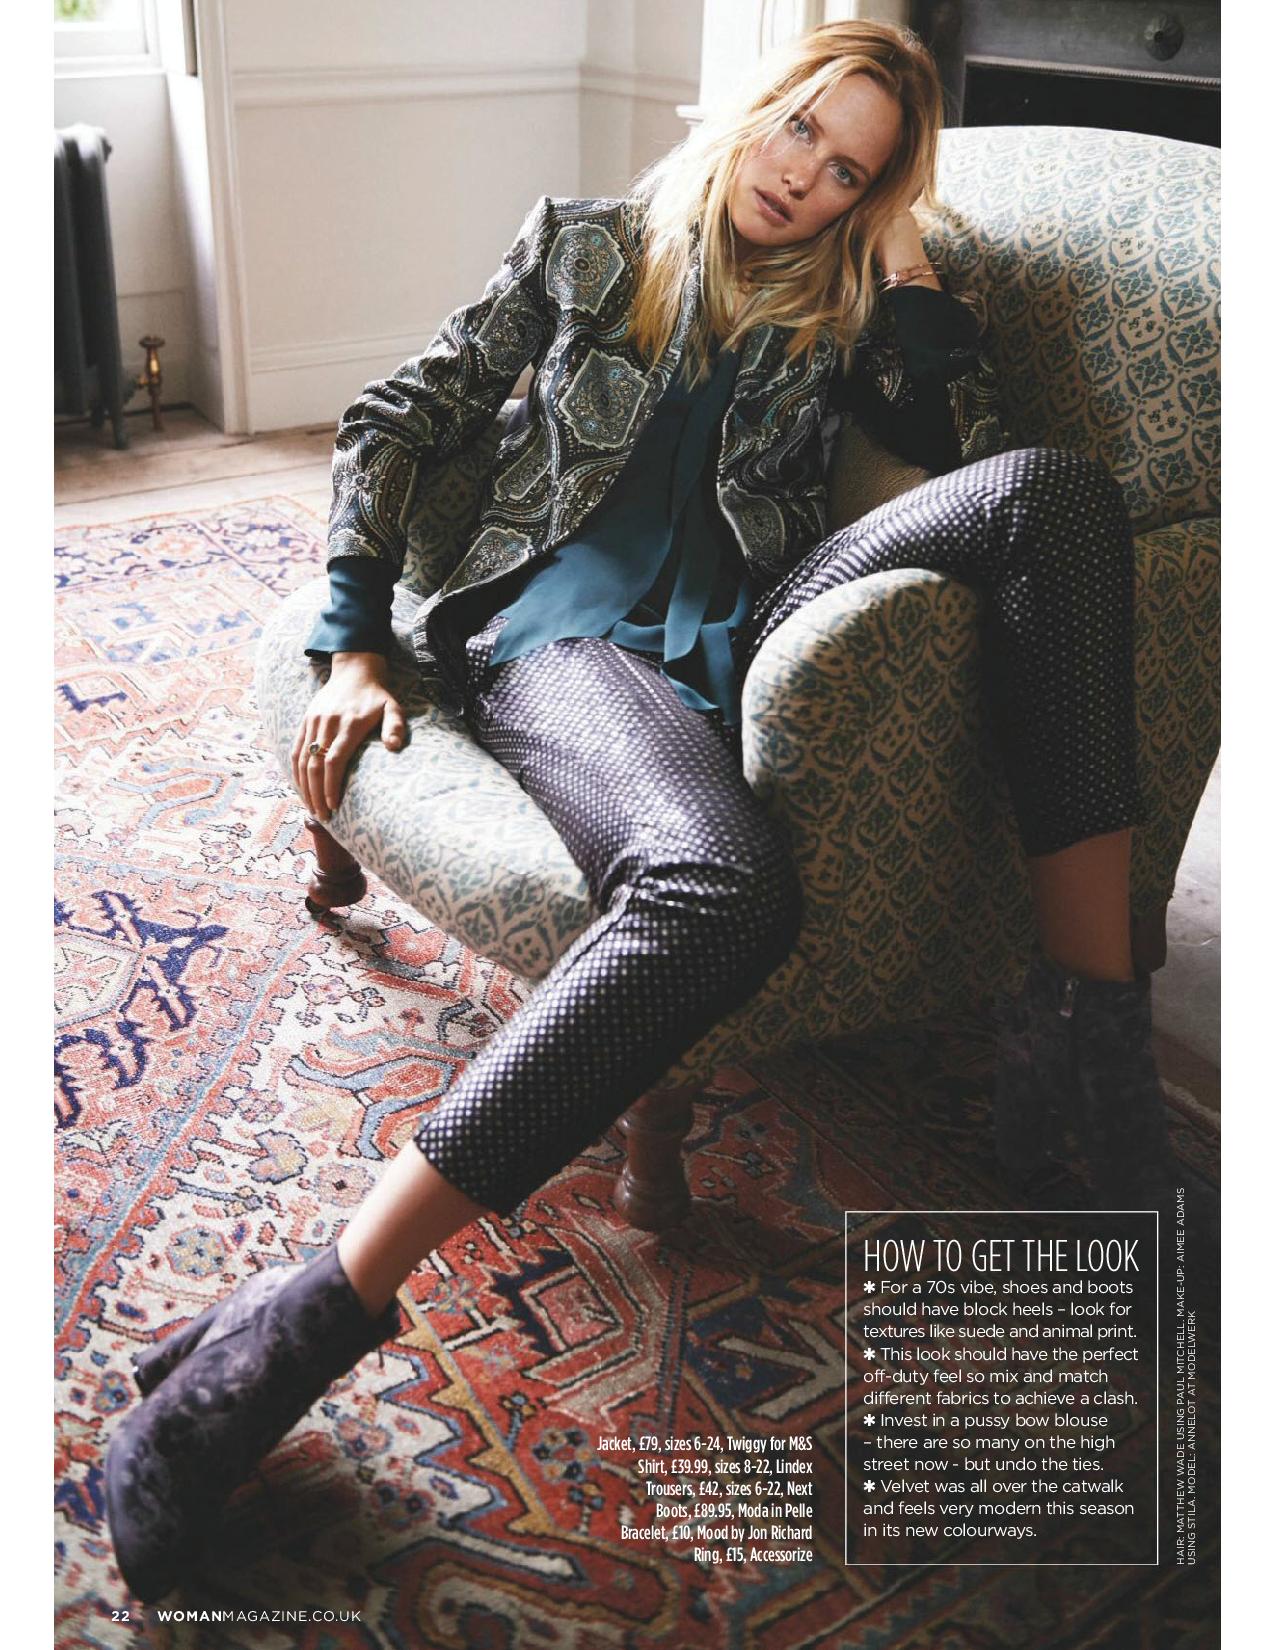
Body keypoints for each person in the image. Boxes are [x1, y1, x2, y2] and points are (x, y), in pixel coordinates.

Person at [104, 20, 1176, 1601]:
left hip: (749, 630)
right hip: (565, 636)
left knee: (1052, 494)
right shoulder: (588, 248)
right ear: (757, 106)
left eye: (852, 173)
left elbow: (971, 448)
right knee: (720, 887)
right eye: (801, 131)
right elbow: (399, 415)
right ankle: (302, 1315)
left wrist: (911, 279)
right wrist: (356, 635)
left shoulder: (848, 310)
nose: (804, 180)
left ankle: (1089, 1065)